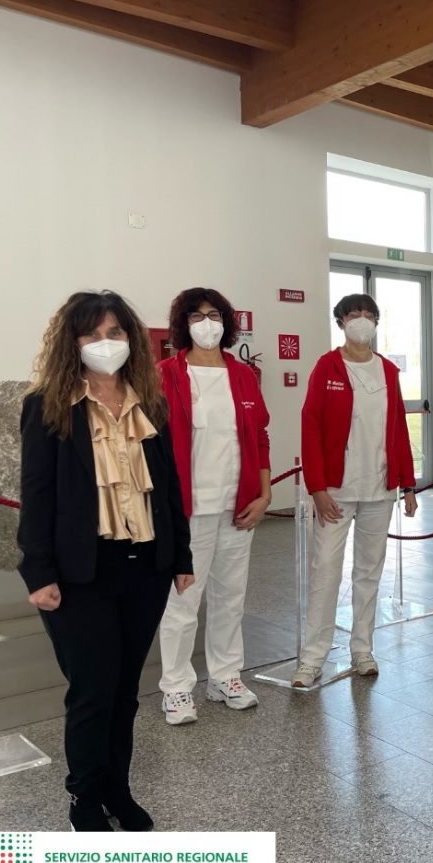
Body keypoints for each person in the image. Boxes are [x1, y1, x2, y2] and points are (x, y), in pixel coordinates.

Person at [17, 291, 193, 832]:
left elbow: (167, 489)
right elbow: (38, 493)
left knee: (124, 691)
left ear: (131, 340)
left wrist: (180, 555)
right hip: (80, 573)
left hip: (145, 568)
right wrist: (39, 571)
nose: (105, 344)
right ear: (71, 341)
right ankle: (84, 799)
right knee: (92, 690)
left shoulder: (150, 401)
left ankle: (118, 789)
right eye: (92, 334)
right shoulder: (47, 404)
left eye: (116, 333)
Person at [157, 287, 271, 725]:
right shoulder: (165, 373)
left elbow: (259, 436)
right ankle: (176, 687)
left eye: (215, 315)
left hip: (238, 505)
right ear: (182, 324)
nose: (208, 323)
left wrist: (263, 493)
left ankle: (224, 676)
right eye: (197, 316)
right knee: (183, 602)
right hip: (188, 509)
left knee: (230, 598)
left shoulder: (242, 375)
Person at [295, 294, 417, 689]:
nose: (361, 321)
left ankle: (362, 648)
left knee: (369, 572)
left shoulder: (388, 371)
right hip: (335, 489)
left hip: (379, 488)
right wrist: (316, 486)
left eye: (368, 315)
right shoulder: (326, 367)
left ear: (377, 322)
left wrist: (408, 482)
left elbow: (398, 424)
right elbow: (310, 426)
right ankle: (312, 658)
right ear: (341, 322)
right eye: (353, 316)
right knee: (326, 572)